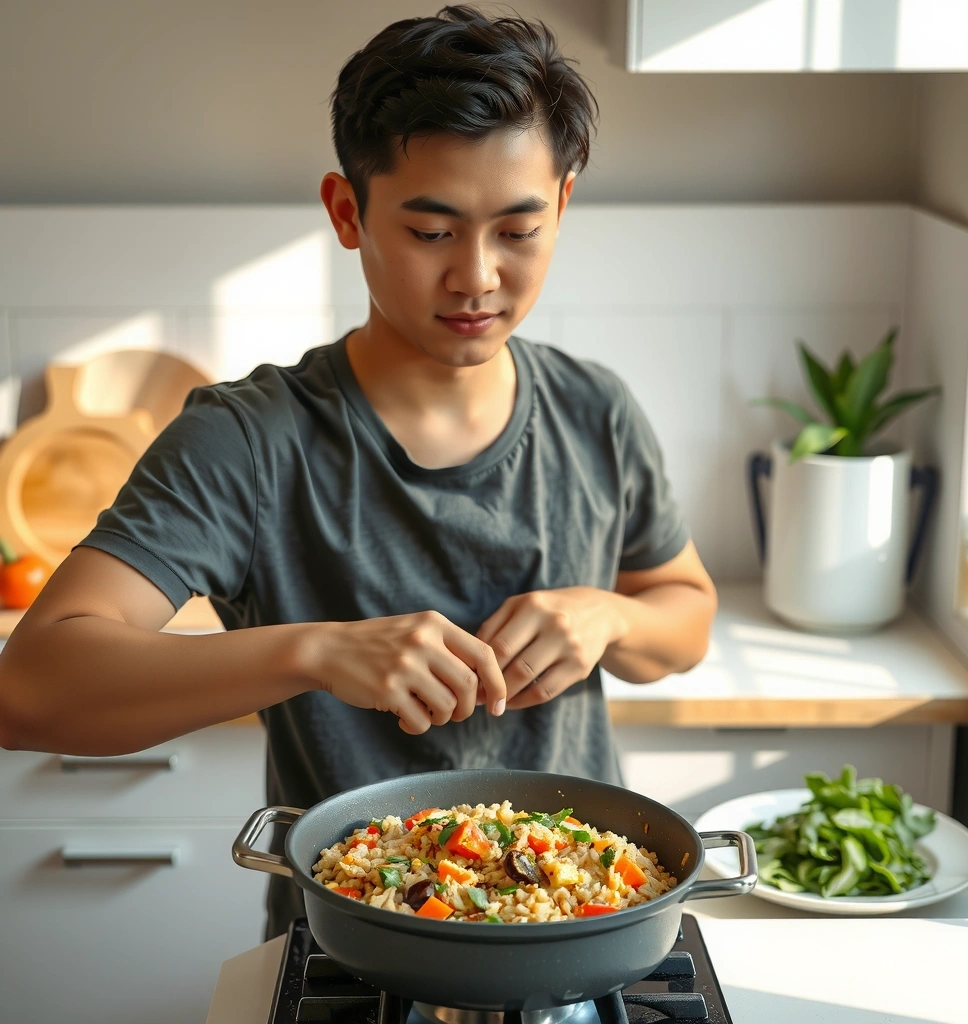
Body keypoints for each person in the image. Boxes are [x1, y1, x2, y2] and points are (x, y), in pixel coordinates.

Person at [0, 5, 716, 938]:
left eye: (517, 230)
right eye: (431, 232)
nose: (477, 277)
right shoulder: (247, 439)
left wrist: (608, 617)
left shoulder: (597, 410)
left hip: (585, 927)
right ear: (348, 212)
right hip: (349, 948)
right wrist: (316, 652)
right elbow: (30, 690)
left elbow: (684, 615)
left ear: (563, 206)